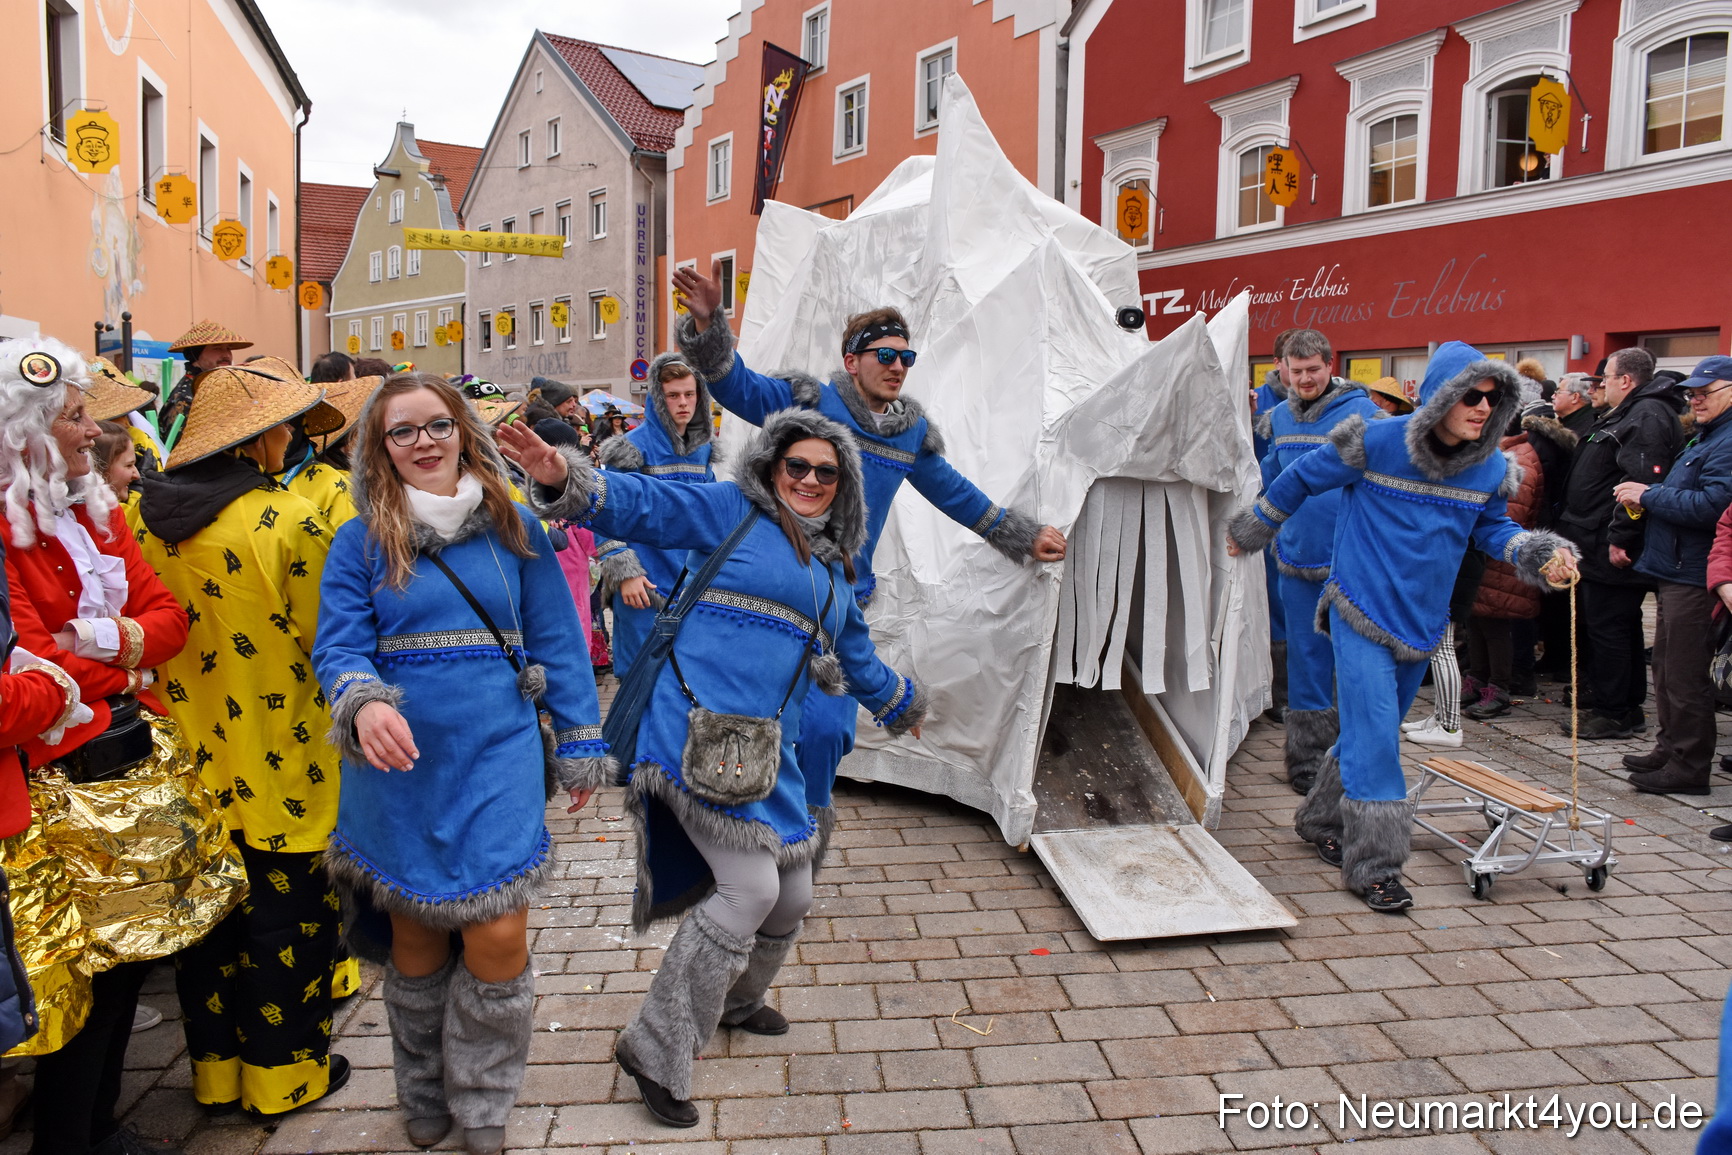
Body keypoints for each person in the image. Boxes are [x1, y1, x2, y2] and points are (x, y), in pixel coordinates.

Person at [498, 407, 925, 1130]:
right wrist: (563, 476)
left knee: (793, 895)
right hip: (695, 734)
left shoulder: (831, 565)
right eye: (797, 466)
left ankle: (733, 998)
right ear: (771, 467)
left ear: (842, 484)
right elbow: (644, 504)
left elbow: (854, 652)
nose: (811, 480)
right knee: (750, 887)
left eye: (827, 471)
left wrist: (900, 702)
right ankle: (655, 1047)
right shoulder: (730, 508)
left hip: (767, 752)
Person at [312, 374, 609, 1155]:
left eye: (436, 424)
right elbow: (337, 646)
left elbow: (559, 637)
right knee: (415, 931)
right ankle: (422, 1085)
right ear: (379, 447)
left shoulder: (514, 526)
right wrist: (363, 699)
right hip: (399, 765)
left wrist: (579, 738)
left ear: (462, 429)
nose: (423, 442)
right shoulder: (359, 540)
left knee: (498, 930)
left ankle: (483, 1095)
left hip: (498, 752)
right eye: (401, 431)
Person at [673, 261, 1065, 811]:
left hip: (839, 599)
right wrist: (711, 326)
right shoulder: (809, 403)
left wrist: (1022, 537)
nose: (898, 367)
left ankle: (801, 835)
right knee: (762, 718)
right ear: (851, 360)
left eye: (906, 357)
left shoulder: (909, 433)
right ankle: (740, 833)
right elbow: (737, 386)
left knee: (831, 733)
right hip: (774, 586)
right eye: (885, 355)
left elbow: (952, 492)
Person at [1229, 343, 1578, 912]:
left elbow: (1491, 529)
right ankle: (1374, 865)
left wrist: (1535, 552)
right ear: (1440, 395)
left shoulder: (1490, 469)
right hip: (1358, 608)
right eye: (1470, 395)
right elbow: (1301, 478)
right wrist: (1253, 527)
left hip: (1422, 622)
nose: (1483, 408)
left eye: (1493, 398)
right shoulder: (1378, 440)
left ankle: (1321, 818)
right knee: (1378, 738)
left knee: (1368, 733)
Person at [2, 336, 243, 1155]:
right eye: (74, 417)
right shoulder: (11, 530)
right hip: (54, 788)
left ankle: (95, 1123)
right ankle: (69, 1137)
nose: (90, 432)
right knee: (81, 976)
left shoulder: (90, 515)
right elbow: (32, 668)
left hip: (121, 764)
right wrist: (110, 659)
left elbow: (169, 621)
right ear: (28, 428)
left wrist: (93, 645)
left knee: (131, 960)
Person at [134, 361, 351, 1119]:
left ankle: (217, 1076)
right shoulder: (285, 519)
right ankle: (282, 1078)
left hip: (187, 763)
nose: (291, 436)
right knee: (287, 928)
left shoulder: (140, 516)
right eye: (283, 425)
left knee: (206, 929)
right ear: (258, 440)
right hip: (284, 757)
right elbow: (334, 642)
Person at [1249, 330, 1384, 793]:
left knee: (1352, 665)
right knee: (1305, 662)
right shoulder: (1279, 418)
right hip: (1294, 557)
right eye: (1296, 369)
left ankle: (1351, 757)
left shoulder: (1364, 414)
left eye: (1313, 369)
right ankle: (1306, 760)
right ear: (1284, 368)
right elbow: (1268, 482)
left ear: (1331, 366)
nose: (1305, 378)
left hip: (1350, 562)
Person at [1610, 356, 1732, 795]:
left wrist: (1651, 495)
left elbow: (1714, 507)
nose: (1695, 398)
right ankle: (1671, 747)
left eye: (1706, 391)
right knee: (1664, 669)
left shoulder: (1727, 441)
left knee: (1683, 674)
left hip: (1696, 574)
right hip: (1675, 568)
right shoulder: (1707, 435)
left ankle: (1689, 764)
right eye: (1693, 392)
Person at [1554, 348, 1685, 739]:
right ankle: (1619, 703)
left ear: (1625, 380)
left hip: (1609, 543)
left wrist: (1621, 537)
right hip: (1592, 537)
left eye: (1606, 377)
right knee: (1612, 625)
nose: (1601, 385)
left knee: (1609, 626)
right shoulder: (1629, 412)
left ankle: (1615, 711)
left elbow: (1640, 483)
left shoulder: (1646, 415)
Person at [594, 353, 717, 677]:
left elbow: (715, 515)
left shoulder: (703, 449)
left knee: (687, 683)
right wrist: (625, 572)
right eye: (673, 395)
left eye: (690, 394)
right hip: (643, 585)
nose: (683, 403)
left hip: (691, 585)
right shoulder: (632, 447)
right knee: (638, 682)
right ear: (657, 399)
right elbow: (605, 511)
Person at [159, 320, 254, 430]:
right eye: (217, 348)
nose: (226, 355)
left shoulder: (217, 387)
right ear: (196, 354)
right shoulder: (186, 397)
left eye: (228, 348)